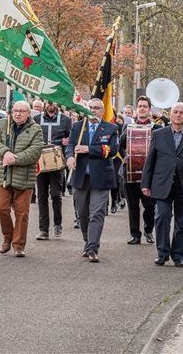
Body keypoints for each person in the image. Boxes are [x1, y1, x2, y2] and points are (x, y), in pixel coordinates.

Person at [141, 102, 183, 267]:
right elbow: (150, 160)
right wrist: (145, 183)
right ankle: (162, 253)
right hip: (162, 184)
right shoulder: (158, 134)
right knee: (162, 217)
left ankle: (178, 255)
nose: (178, 115)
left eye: (182, 112)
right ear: (170, 115)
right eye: (175, 112)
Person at [65, 98, 119, 263]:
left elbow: (112, 150)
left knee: (97, 213)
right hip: (81, 177)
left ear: (103, 111)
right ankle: (87, 240)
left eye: (97, 108)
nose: (93, 111)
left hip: (101, 177)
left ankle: (93, 248)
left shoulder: (111, 128)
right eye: (91, 108)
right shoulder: (78, 127)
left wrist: (89, 149)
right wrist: (69, 157)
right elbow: (70, 145)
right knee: (82, 213)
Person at [0, 100, 43, 256]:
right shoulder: (3, 124)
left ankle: (18, 244)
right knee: (0, 209)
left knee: (21, 213)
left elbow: (35, 151)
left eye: (22, 111)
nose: (18, 114)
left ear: (28, 113)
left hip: (24, 179)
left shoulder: (36, 129)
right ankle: (8, 236)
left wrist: (15, 158)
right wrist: (5, 152)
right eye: (15, 111)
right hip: (3, 176)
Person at [119, 96, 161, 246]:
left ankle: (148, 230)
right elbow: (120, 146)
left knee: (149, 205)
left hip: (149, 174)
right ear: (136, 109)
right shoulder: (128, 127)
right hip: (130, 171)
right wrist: (125, 157)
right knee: (132, 205)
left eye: (145, 106)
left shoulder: (156, 129)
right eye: (140, 106)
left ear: (149, 110)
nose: (142, 108)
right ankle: (135, 234)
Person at [33, 103, 71, 240]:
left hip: (57, 162)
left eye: (52, 102)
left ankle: (57, 223)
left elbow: (72, 139)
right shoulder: (36, 119)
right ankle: (43, 229)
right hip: (40, 161)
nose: (50, 105)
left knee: (55, 194)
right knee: (41, 195)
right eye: (48, 102)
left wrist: (67, 142)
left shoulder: (65, 120)